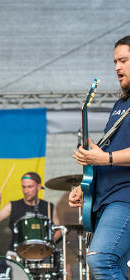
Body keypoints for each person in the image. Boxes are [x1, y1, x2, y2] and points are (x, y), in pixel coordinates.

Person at [69, 35, 130, 279]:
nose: (117, 67)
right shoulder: (121, 105)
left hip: (125, 197)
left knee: (101, 260)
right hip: (108, 198)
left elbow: (109, 158)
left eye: (123, 60)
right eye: (115, 61)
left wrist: (105, 159)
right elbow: (108, 153)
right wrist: (86, 186)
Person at [0, 171, 61, 253]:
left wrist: (47, 243)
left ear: (38, 187)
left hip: (41, 254)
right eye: (24, 187)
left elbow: (59, 230)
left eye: (30, 187)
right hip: (16, 254)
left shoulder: (48, 207)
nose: (26, 191)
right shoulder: (12, 205)